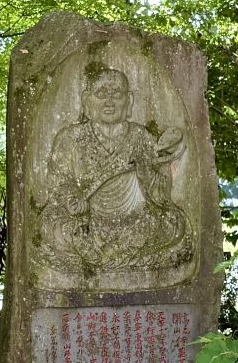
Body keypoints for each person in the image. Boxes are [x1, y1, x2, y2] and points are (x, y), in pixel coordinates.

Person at [37, 64, 191, 275]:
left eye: (116, 94)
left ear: (129, 100)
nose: (109, 101)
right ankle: (117, 257)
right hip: (86, 220)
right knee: (48, 225)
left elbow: (161, 190)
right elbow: (59, 179)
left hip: (136, 219)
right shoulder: (70, 138)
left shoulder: (141, 136)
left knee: (174, 223)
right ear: (87, 100)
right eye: (101, 94)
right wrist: (71, 198)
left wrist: (147, 176)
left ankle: (108, 257)